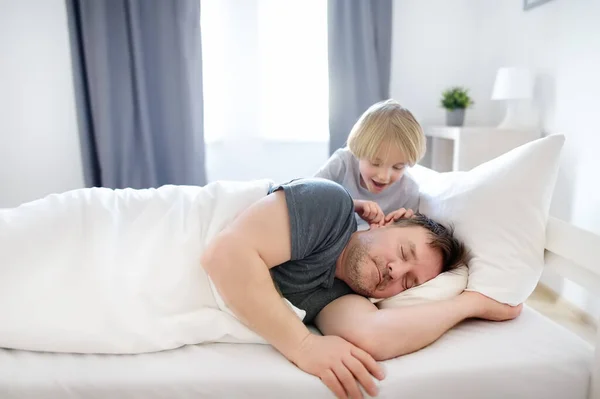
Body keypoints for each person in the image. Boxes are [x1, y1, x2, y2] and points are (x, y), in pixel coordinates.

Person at [201, 178, 523, 399]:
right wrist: (304, 346)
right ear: (385, 223)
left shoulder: (340, 297)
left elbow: (375, 336)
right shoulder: (332, 207)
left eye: (408, 283)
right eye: (403, 252)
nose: (395, 272)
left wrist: (473, 303)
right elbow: (224, 254)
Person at [315, 99, 426, 229]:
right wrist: (353, 205)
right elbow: (309, 195)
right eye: (375, 163)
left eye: (398, 167)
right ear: (358, 150)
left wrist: (398, 226)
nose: (383, 176)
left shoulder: (409, 191)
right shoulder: (343, 162)